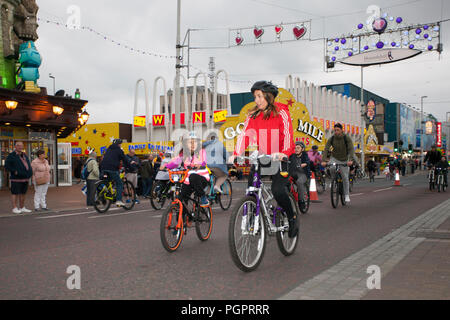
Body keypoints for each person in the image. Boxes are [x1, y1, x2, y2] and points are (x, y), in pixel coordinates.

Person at [230, 81, 297, 237]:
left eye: (259, 96)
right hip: (264, 158)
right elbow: (244, 134)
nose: (257, 100)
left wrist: (284, 152)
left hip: (283, 158)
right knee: (251, 188)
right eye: (255, 97)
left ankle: (292, 217)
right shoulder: (253, 115)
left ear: (269, 96)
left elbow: (287, 134)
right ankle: (253, 218)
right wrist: (236, 153)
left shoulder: (282, 112)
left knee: (278, 190)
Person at [162, 132, 211, 207]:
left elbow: (204, 160)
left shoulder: (201, 151)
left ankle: (203, 197)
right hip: (188, 180)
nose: (192, 144)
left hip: (201, 179)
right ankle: (184, 216)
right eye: (189, 142)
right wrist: (166, 166)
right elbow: (176, 161)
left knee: (193, 176)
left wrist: (199, 165)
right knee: (180, 198)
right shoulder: (184, 154)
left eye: (194, 142)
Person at [321, 123, 357, 203]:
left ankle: (347, 195)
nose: (336, 132)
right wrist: (323, 160)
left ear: (341, 130)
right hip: (334, 157)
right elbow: (326, 148)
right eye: (335, 130)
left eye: (338, 130)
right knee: (332, 167)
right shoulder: (332, 138)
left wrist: (350, 160)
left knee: (345, 177)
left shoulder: (346, 138)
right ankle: (333, 179)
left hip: (344, 158)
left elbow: (351, 149)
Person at [99, 139, 130, 207]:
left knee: (109, 182)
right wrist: (130, 167)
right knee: (119, 183)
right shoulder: (119, 150)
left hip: (103, 168)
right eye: (120, 144)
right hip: (112, 168)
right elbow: (125, 160)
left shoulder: (108, 149)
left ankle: (104, 194)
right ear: (119, 144)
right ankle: (118, 200)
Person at [5, 141, 33, 214]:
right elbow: (7, 166)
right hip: (16, 178)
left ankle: (22, 207)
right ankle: (14, 208)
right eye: (18, 145)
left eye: (21, 145)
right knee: (15, 193)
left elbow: (28, 164)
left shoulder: (24, 155)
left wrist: (30, 173)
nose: (20, 147)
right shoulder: (11, 155)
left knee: (23, 193)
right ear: (15, 147)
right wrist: (14, 171)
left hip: (25, 178)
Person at [289, 141, 311, 211]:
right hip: (293, 173)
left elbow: (307, 162)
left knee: (299, 182)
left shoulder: (304, 155)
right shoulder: (292, 156)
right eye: (295, 148)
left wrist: (304, 164)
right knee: (285, 181)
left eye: (298, 148)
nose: (296, 149)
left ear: (302, 149)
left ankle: (302, 201)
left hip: (303, 174)